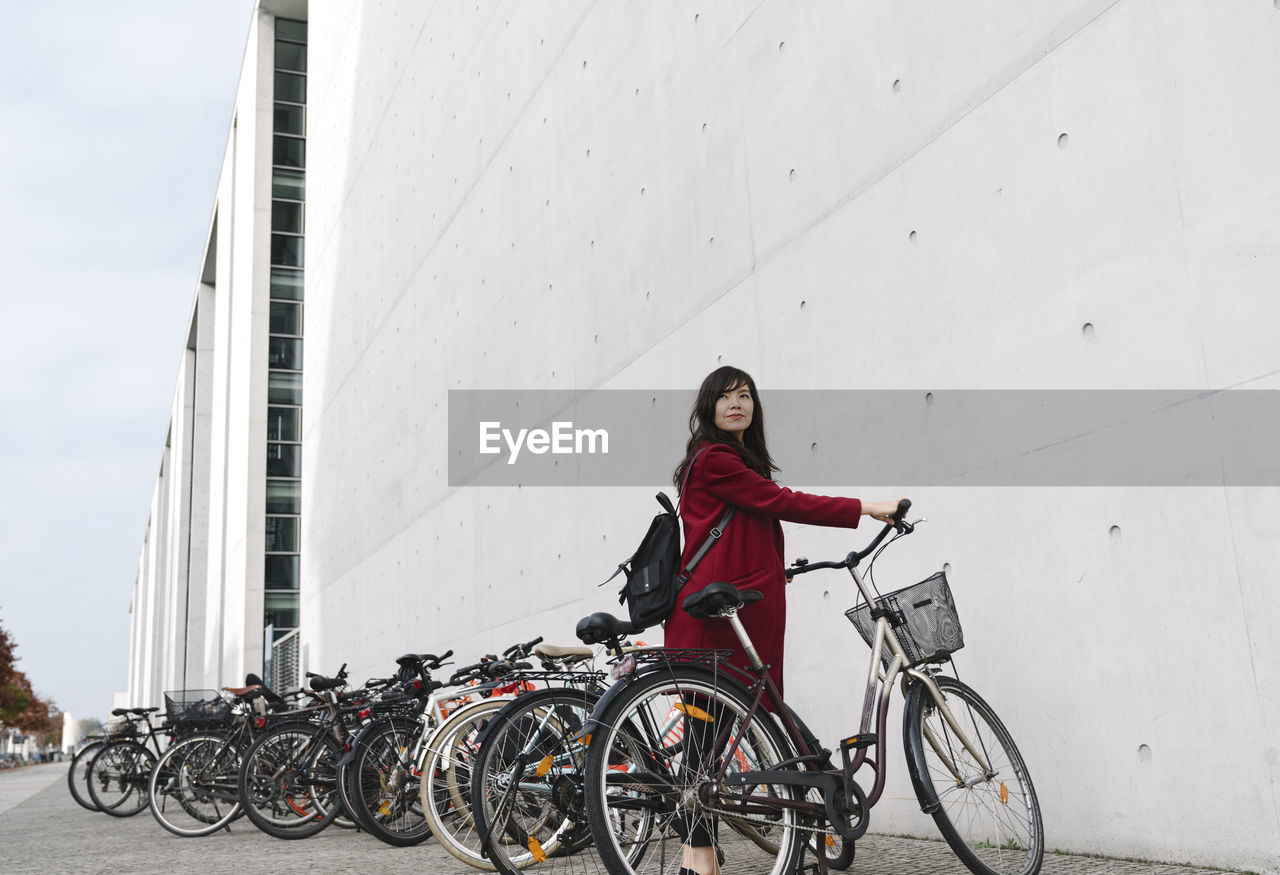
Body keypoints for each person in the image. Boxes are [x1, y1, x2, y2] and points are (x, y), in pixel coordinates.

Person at [664, 365, 903, 875]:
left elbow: (747, 524)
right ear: (707, 408)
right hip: (721, 622)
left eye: (745, 395)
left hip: (729, 612)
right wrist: (867, 507)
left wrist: (775, 570)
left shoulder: (724, 462)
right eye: (725, 396)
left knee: (708, 747)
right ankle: (706, 860)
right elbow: (782, 502)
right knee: (708, 752)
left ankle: (694, 862)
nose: (737, 403)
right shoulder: (715, 460)